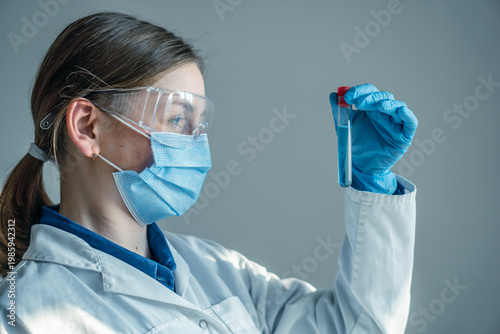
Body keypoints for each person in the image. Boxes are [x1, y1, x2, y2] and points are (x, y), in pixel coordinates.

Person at [0, 11, 417, 334]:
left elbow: (356, 327)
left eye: (200, 124)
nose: (197, 145)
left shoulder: (216, 267)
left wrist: (370, 181)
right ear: (88, 127)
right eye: (179, 120)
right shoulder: (26, 313)